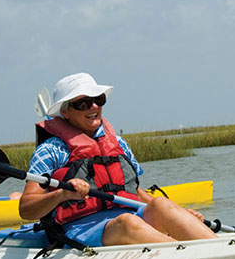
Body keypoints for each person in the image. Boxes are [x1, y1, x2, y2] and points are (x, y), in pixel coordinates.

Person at [19, 72, 217, 247]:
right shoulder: (51, 150)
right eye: (83, 103)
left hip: (129, 218)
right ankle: (191, 256)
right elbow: (26, 209)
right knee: (127, 222)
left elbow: (133, 191)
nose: (94, 106)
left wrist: (179, 212)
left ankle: (217, 249)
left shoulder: (118, 143)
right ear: (65, 112)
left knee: (161, 204)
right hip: (82, 229)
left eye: (98, 99)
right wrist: (62, 194)